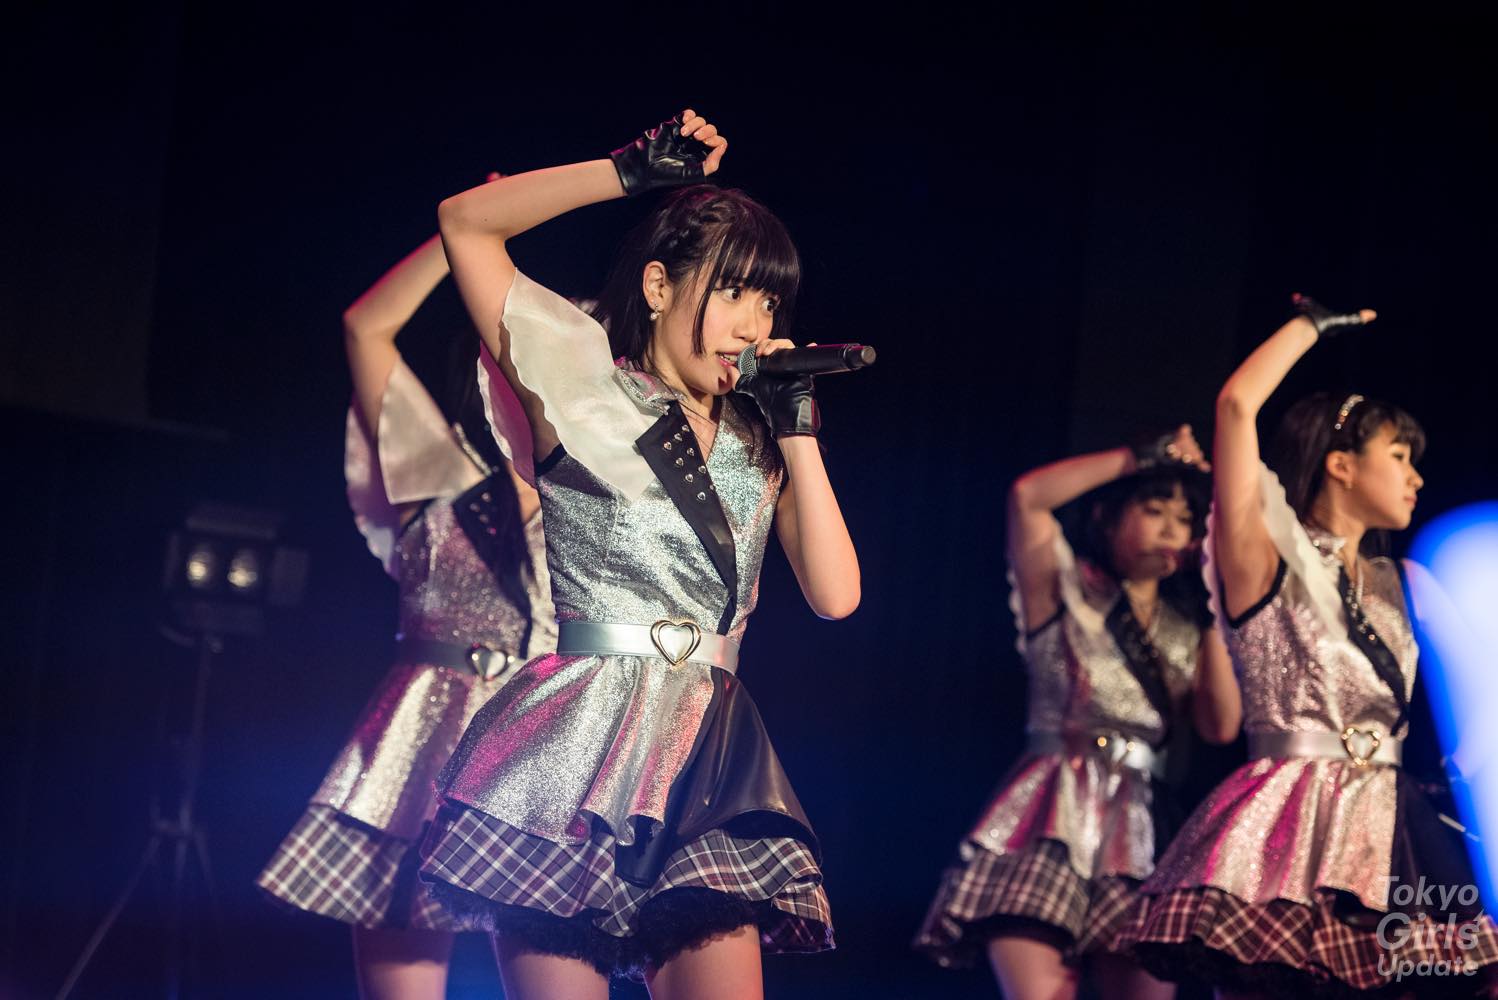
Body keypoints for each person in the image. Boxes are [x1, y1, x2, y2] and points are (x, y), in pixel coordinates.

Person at [416, 110, 860, 1000]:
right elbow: (466, 222)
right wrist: (624, 174)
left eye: (769, 303)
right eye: (732, 292)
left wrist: (798, 428)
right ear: (659, 285)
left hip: (707, 753)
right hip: (572, 743)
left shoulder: (759, 439)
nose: (753, 323)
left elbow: (837, 595)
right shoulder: (583, 386)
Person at [1116, 295, 1498, 996]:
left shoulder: (1406, 581)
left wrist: (1469, 778)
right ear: (1341, 464)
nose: (1416, 476)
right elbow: (1236, 407)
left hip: (1394, 826)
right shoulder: (1265, 560)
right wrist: (1311, 326)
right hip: (1283, 820)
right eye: (1398, 456)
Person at [256, 206, 555, 1000]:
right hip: (419, 746)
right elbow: (367, 327)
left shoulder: (600, 500)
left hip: (543, 748)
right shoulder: (437, 470)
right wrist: (465, 237)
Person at [915, 427, 1240, 1000]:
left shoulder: (1189, 627)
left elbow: (1221, 726)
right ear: (1107, 518)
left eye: (1185, 519)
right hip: (1050, 810)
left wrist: (1215, 599)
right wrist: (1143, 457)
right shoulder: (1064, 587)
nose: (1172, 529)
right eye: (1154, 510)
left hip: (1140, 827)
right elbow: (1028, 498)